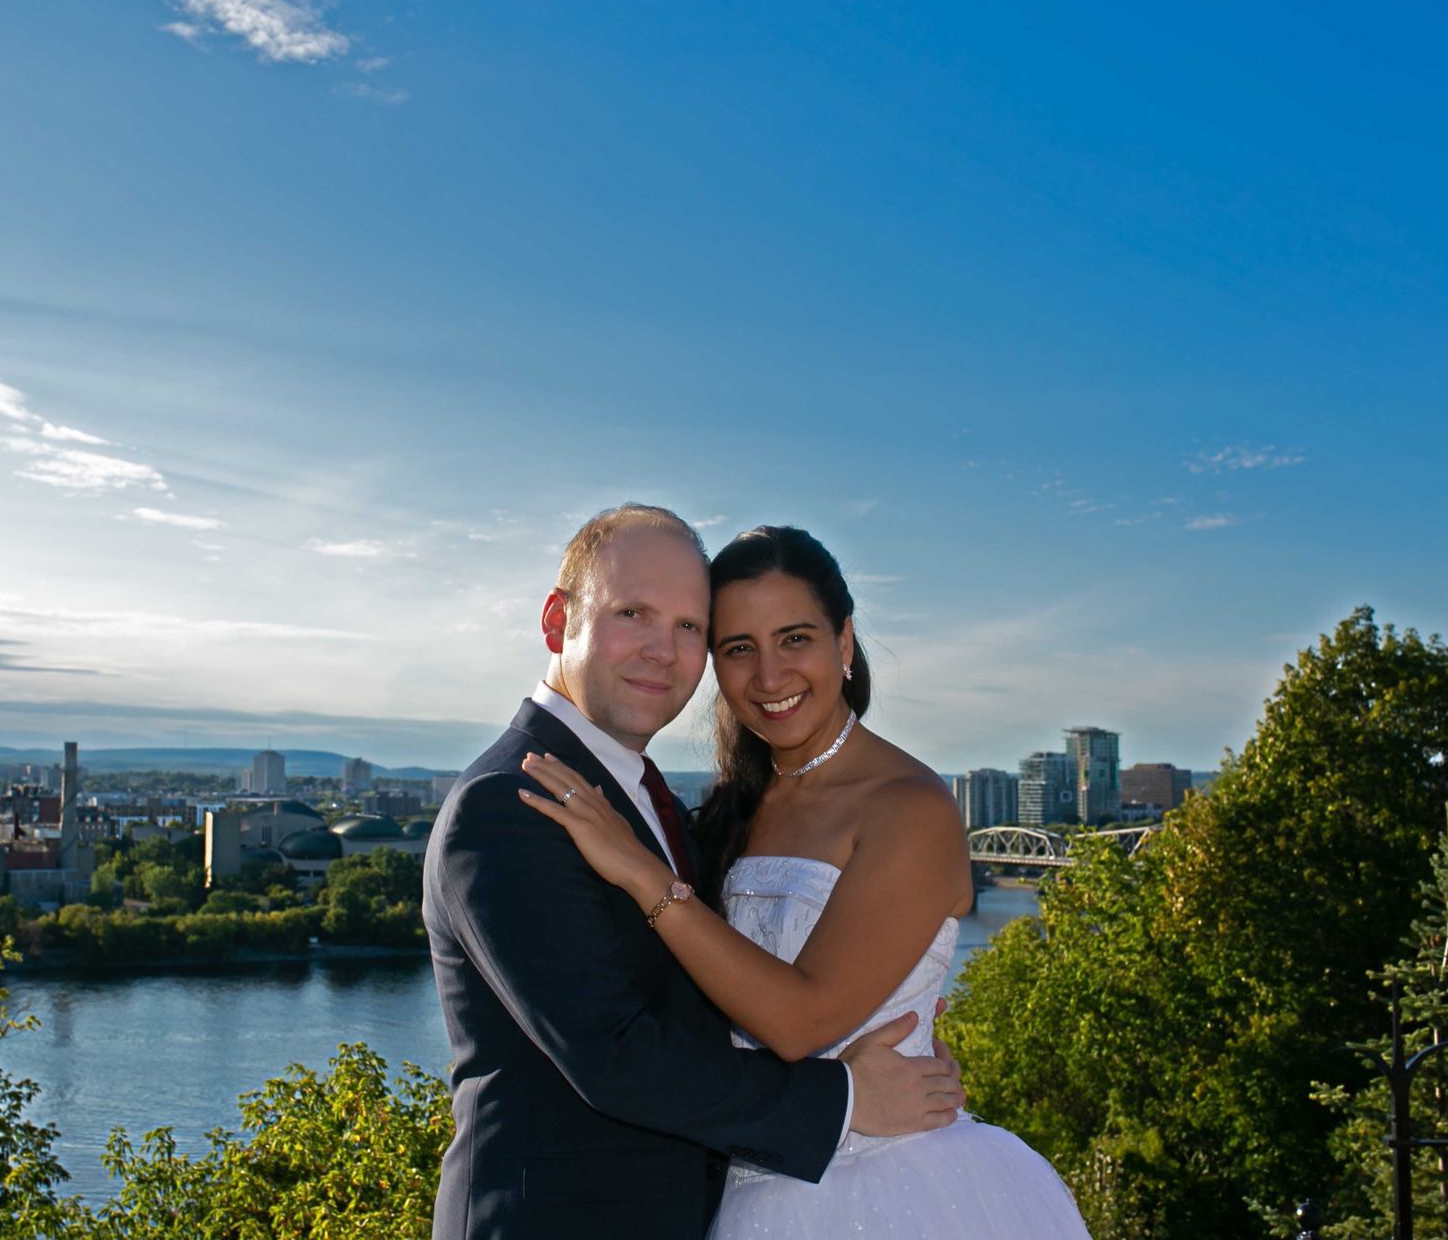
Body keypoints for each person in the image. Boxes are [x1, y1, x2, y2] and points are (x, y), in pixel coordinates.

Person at [519, 524, 1093, 1239]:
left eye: (795, 639)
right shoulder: (734, 808)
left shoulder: (907, 806)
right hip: (749, 1182)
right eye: (738, 649)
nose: (768, 676)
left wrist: (646, 877)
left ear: (844, 644)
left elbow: (799, 1022)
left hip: (895, 1187)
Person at [422, 505, 966, 1240]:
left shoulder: (664, 804)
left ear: (844, 642)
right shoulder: (514, 802)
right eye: (633, 613)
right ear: (557, 623)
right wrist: (843, 1098)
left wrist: (900, 1021)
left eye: (687, 628)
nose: (662, 650)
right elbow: (615, 1058)